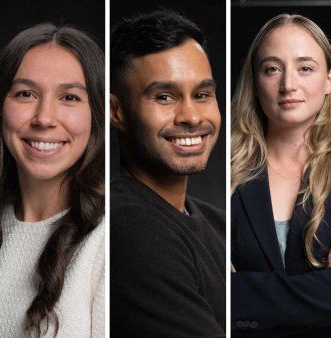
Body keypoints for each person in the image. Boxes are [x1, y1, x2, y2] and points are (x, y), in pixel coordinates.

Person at [109, 10, 225, 337]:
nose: (191, 115)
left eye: (202, 94)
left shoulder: (218, 223)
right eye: (164, 97)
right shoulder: (130, 231)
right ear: (116, 111)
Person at [231, 14, 331, 337]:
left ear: (329, 80)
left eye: (305, 68)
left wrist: (244, 292)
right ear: (255, 81)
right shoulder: (224, 170)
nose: (288, 85)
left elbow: (230, 296)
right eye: (272, 69)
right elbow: (208, 291)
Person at [0, 23, 105, 337]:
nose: (44, 118)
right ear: (0, 106)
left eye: (69, 97)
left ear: (96, 115)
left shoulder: (108, 238)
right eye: (25, 94)